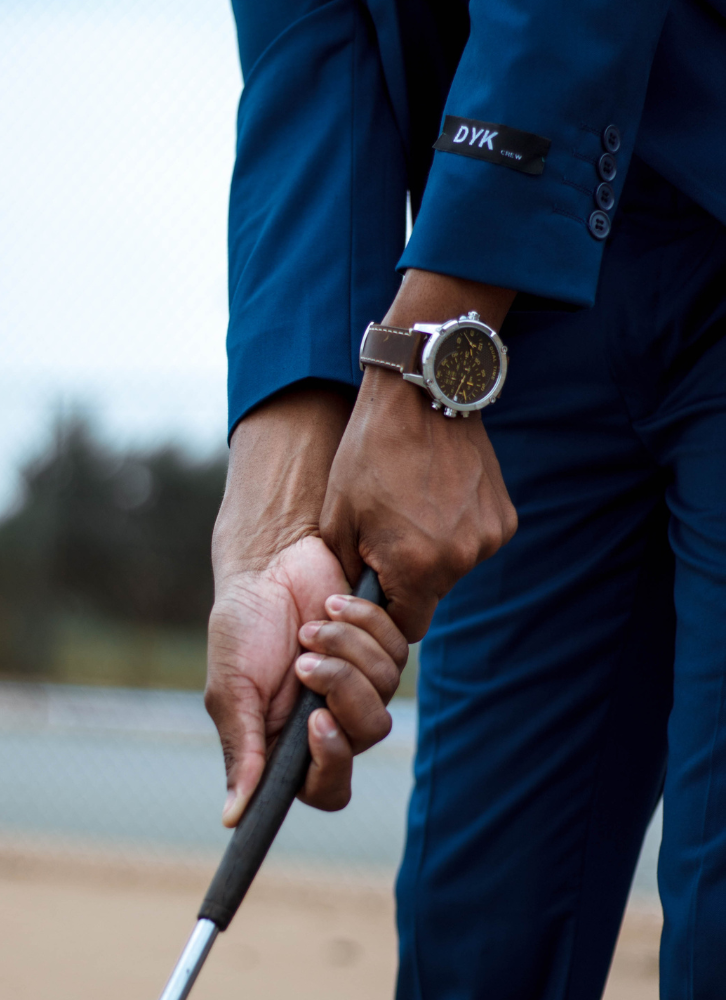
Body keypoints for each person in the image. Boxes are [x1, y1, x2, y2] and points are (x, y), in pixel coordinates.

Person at [204, 2, 726, 997]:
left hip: (489, 268)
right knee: (472, 943)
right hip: (514, 307)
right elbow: (311, 40)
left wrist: (430, 345)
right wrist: (270, 533)